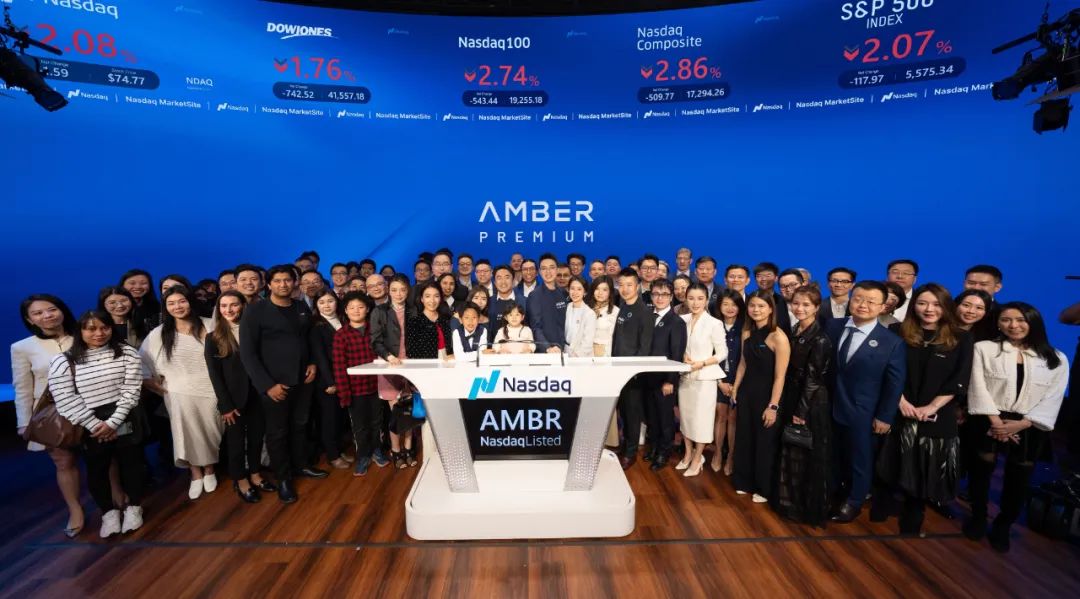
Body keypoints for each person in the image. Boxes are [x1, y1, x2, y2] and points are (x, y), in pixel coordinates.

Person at [965, 302, 1069, 552]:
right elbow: (977, 385)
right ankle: (978, 516)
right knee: (981, 470)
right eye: (1006, 320)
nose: (1013, 325)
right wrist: (997, 423)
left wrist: (1023, 423)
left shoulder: (1056, 358)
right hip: (989, 418)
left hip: (1028, 423)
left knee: (1020, 476)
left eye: (1020, 320)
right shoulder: (984, 348)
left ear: (1033, 322)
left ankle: (1004, 524)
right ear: (998, 324)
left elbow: (1054, 396)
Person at [877, 284, 973, 535]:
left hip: (938, 411)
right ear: (914, 305)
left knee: (925, 463)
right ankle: (884, 499)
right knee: (892, 457)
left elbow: (960, 378)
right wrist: (901, 402)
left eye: (936, 304)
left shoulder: (961, 338)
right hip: (899, 406)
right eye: (922, 303)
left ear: (946, 307)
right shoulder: (897, 331)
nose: (929, 309)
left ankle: (915, 508)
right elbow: (886, 371)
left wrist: (932, 406)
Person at [49, 310, 145, 538]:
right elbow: (64, 397)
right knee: (97, 469)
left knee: (132, 464)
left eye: (104, 327)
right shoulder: (63, 361)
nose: (99, 333)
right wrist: (94, 424)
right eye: (91, 329)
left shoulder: (127, 353)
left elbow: (132, 389)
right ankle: (108, 513)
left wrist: (113, 422)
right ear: (80, 331)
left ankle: (134, 507)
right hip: (88, 422)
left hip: (123, 415)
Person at [239, 264, 326, 505]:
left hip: (303, 379)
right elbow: (248, 353)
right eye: (277, 281)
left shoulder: (300, 307)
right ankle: (284, 479)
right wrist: (267, 385)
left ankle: (301, 465)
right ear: (268, 284)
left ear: (295, 282)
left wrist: (312, 363)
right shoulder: (255, 311)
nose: (283, 285)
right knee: (277, 433)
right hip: (274, 384)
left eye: (287, 280)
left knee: (300, 425)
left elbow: (307, 339)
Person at [825, 281, 906, 523]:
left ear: (883, 307)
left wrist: (885, 416)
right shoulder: (833, 325)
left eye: (871, 301)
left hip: (864, 411)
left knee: (860, 459)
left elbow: (894, 384)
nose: (863, 305)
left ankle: (854, 501)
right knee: (833, 454)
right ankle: (833, 493)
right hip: (830, 405)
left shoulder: (891, 342)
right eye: (858, 299)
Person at [12, 294, 87, 537]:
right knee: (64, 462)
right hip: (51, 413)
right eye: (38, 313)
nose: (47, 315)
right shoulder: (22, 348)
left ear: (62, 310)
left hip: (91, 407)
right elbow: (22, 387)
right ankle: (75, 510)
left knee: (105, 457)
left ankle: (117, 500)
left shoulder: (84, 336)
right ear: (29, 320)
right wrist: (24, 422)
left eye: (52, 309)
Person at [140, 286, 223, 501]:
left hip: (212, 388)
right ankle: (195, 473)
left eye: (182, 301)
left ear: (191, 302)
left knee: (211, 430)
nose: (177, 306)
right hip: (178, 391)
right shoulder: (159, 333)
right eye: (171, 303)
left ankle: (210, 469)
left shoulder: (210, 324)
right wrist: (154, 384)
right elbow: (142, 363)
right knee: (185, 432)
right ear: (166, 308)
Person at [773, 285, 834, 526]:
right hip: (793, 395)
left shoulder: (820, 339)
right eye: (796, 303)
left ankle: (804, 508)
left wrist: (801, 411)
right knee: (792, 451)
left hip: (810, 403)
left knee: (806, 454)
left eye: (806, 305)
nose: (799, 308)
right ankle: (789, 503)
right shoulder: (795, 329)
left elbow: (813, 379)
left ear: (817, 307)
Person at [204, 291, 273, 504]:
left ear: (243, 305)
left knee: (256, 438)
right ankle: (240, 480)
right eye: (224, 306)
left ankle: (255, 474)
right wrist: (225, 405)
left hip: (258, 394)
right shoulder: (213, 338)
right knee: (235, 443)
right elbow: (214, 375)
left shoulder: (254, 330)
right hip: (233, 400)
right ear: (219, 309)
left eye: (234, 304)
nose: (229, 310)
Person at [731, 290, 790, 503]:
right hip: (746, 393)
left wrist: (773, 406)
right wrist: (736, 388)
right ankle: (743, 481)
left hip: (767, 395)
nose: (756, 310)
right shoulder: (747, 333)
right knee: (745, 437)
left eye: (761, 306)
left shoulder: (778, 337)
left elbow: (780, 376)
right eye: (752, 305)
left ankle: (763, 488)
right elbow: (743, 363)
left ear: (771, 309)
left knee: (765, 442)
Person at [673, 283, 725, 477]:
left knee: (702, 420)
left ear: (707, 300)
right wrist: (682, 356)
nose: (695, 303)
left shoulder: (714, 323)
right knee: (686, 418)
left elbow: (722, 353)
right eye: (691, 298)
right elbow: (677, 345)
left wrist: (701, 363)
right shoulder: (681, 320)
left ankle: (698, 458)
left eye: (700, 299)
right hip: (685, 376)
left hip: (705, 378)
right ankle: (688, 454)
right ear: (686, 299)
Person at [332, 292, 385, 476]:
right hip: (355, 389)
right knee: (359, 426)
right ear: (345, 311)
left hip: (377, 385)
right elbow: (339, 366)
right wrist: (344, 393)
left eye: (360, 307)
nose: (356, 311)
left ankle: (377, 451)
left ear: (367, 309)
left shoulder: (375, 329)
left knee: (377, 422)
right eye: (352, 308)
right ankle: (363, 455)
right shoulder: (341, 335)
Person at [612, 268, 655, 470]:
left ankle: (631, 453)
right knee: (623, 411)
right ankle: (625, 446)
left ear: (637, 286)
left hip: (632, 374)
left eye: (629, 285)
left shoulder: (644, 312)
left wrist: (633, 372)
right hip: (617, 370)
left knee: (632, 413)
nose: (625, 289)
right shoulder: (621, 307)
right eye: (621, 285)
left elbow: (644, 348)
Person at [643, 278, 687, 471]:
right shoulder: (647, 317)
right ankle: (653, 447)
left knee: (665, 418)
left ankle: (664, 452)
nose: (659, 298)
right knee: (651, 417)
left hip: (664, 379)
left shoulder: (676, 322)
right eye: (656, 294)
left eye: (664, 294)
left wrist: (671, 381)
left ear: (671, 297)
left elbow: (677, 353)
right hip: (647, 376)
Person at [370, 274, 414, 469]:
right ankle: (396, 450)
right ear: (388, 290)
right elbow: (375, 341)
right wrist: (389, 357)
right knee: (396, 412)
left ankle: (408, 448)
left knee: (409, 411)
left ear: (408, 291)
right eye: (394, 290)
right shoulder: (379, 311)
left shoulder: (414, 310)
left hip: (411, 367)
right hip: (389, 365)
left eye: (402, 290)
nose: (399, 294)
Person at [308, 289, 351, 470]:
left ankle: (339, 450)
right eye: (322, 302)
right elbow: (320, 357)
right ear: (316, 306)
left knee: (340, 418)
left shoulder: (343, 320)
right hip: (327, 380)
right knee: (329, 419)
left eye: (330, 301)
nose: (327, 305)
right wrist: (330, 382)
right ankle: (332, 455)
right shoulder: (316, 326)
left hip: (344, 376)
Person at [710, 289, 745, 475]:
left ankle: (731, 456)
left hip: (739, 380)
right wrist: (720, 381)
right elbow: (709, 355)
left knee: (733, 419)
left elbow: (745, 359)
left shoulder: (745, 327)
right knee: (720, 416)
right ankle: (717, 453)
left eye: (734, 304)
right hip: (718, 378)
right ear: (719, 306)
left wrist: (736, 385)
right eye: (725, 304)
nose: (730, 308)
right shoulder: (714, 325)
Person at [526, 254, 568, 353]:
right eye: (544, 268)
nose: (548, 272)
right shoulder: (535, 296)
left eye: (551, 268)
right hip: (546, 352)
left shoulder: (563, 293)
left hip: (566, 350)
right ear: (540, 272)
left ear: (557, 270)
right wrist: (547, 347)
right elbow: (535, 328)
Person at [120, 269, 161, 335]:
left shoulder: (158, 308)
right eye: (132, 283)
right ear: (123, 285)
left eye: (143, 283)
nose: (138, 287)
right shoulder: (113, 308)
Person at [564, 276, 597, 357]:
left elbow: (587, 342)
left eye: (579, 289)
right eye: (572, 288)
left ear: (585, 292)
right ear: (568, 290)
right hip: (565, 351)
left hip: (581, 356)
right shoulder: (566, 307)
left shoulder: (589, 313)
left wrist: (576, 356)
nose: (575, 292)